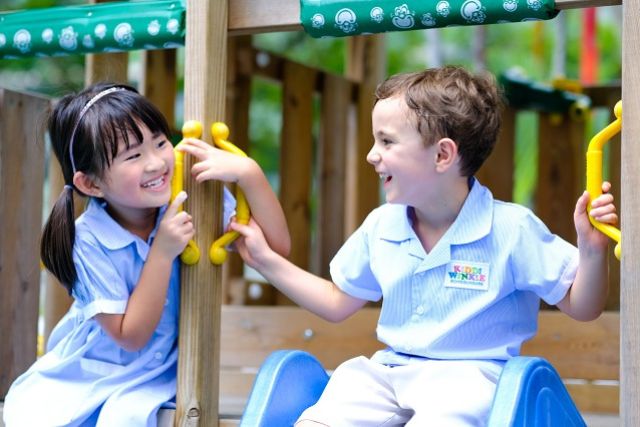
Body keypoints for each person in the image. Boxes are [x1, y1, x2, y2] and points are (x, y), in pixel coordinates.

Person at [230, 66, 617, 426]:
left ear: (443, 155)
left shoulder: (511, 228)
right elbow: (336, 301)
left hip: (471, 376)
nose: (371, 154)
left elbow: (581, 307)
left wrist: (591, 250)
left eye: (386, 141)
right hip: (389, 371)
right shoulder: (382, 225)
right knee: (333, 405)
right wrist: (265, 260)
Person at [2, 82, 290, 427]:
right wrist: (162, 252)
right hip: (92, 371)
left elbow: (276, 248)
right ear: (91, 184)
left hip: (159, 373)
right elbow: (130, 335)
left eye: (160, 142)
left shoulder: (189, 198)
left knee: (126, 418)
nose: (156, 163)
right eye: (134, 156)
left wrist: (249, 174)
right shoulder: (87, 240)